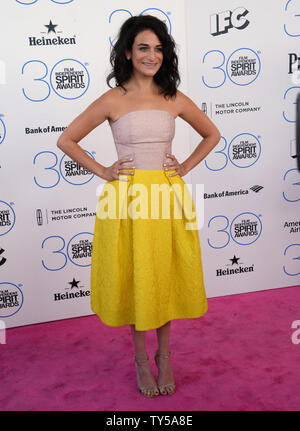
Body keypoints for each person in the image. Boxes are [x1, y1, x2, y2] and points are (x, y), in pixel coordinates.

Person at [57, 15, 220, 398]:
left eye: (159, 48)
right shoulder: (113, 98)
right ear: (128, 52)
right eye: (144, 47)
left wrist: (184, 166)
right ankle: (141, 360)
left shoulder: (173, 96)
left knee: (162, 276)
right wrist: (104, 170)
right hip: (127, 199)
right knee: (137, 278)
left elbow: (212, 133)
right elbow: (67, 140)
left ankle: (165, 356)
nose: (152, 56)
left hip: (167, 196)